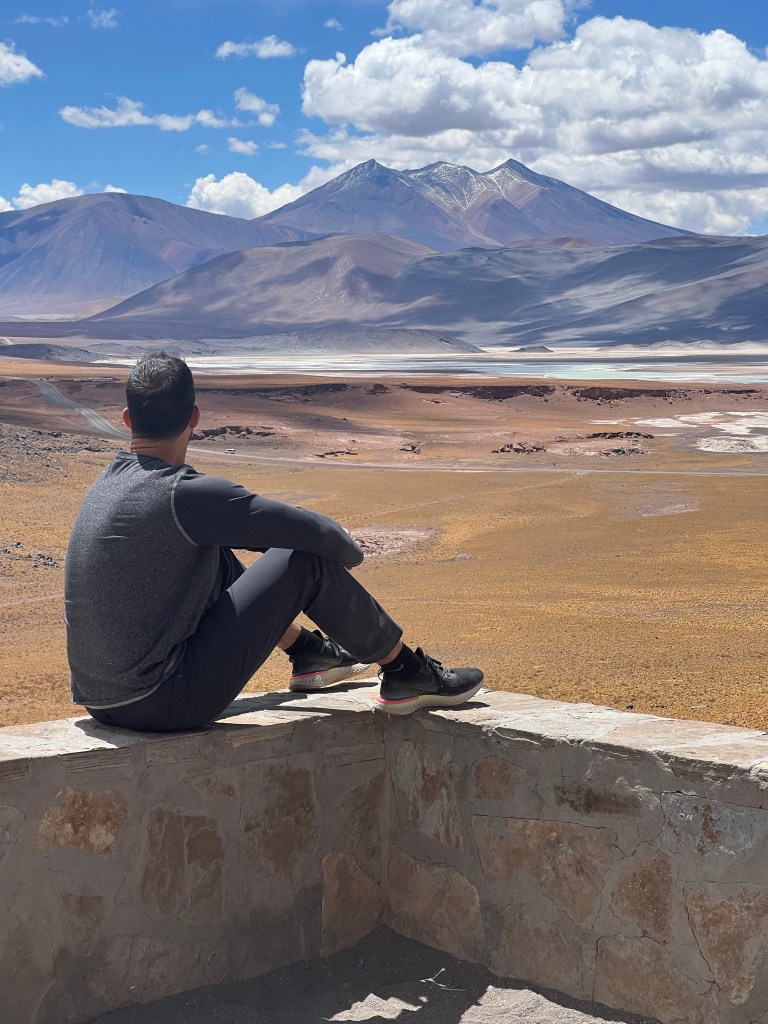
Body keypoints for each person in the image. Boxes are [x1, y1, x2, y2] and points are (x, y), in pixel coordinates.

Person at [64, 353, 484, 733]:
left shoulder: (106, 484)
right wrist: (343, 560)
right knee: (306, 563)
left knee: (209, 553)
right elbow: (322, 536)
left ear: (126, 419)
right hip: (164, 701)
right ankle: (407, 672)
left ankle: (308, 652)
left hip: (101, 702)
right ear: (194, 417)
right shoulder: (183, 494)